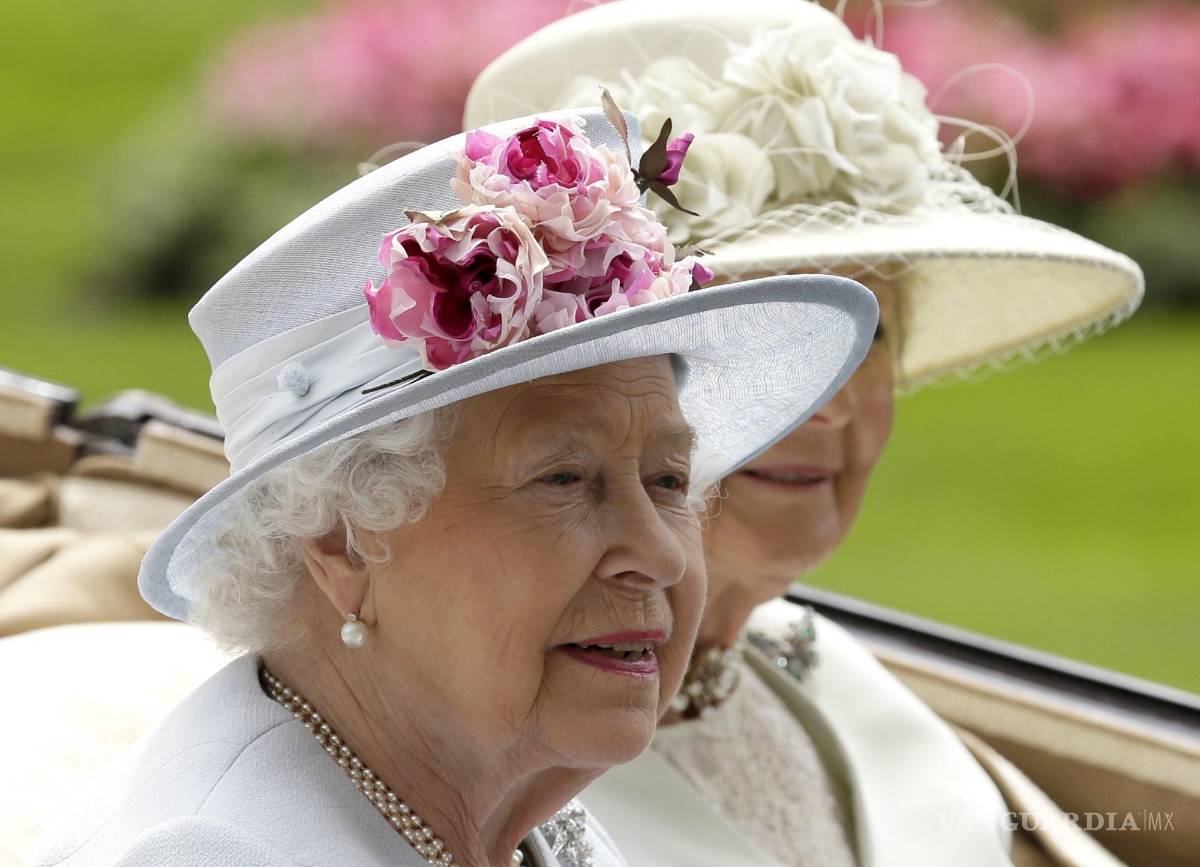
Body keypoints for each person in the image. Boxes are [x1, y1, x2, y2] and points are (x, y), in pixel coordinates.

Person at [31, 106, 877, 867]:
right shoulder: (215, 853)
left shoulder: (515, 811)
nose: (659, 552)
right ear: (343, 541)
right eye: (564, 477)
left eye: (667, 479)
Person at [465, 2, 1143, 865]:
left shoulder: (831, 676)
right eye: (761, 335)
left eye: (870, 334)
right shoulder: (471, 784)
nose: (830, 405)